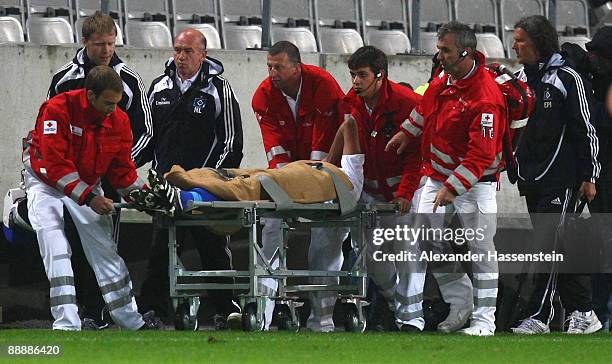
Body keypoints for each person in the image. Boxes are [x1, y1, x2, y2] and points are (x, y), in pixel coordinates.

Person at [386, 21, 507, 336]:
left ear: (465, 52)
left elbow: (482, 155)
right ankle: (436, 310)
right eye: (439, 49)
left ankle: (484, 323)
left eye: (445, 50)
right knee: (423, 244)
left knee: (481, 250)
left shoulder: (486, 98)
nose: (439, 56)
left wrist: (453, 187)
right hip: (439, 177)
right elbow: (426, 109)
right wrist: (406, 133)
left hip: (476, 185)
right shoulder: (444, 78)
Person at [22, 66, 159, 331]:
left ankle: (132, 321)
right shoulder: (56, 109)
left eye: (117, 103)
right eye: (108, 103)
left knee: (105, 251)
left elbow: (122, 169)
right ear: (90, 95)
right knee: (56, 245)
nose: (113, 109)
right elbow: (53, 164)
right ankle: (66, 323)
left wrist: (142, 196)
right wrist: (89, 197)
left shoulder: (118, 120)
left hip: (84, 183)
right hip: (43, 181)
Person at [46, 11, 153, 329]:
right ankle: (88, 309)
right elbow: (52, 131)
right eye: (99, 45)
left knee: (105, 245)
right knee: (73, 244)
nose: (107, 50)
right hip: (70, 179)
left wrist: (112, 164)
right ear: (84, 42)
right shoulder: (65, 81)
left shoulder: (129, 81)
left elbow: (145, 133)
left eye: (111, 43)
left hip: (107, 179)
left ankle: (105, 309)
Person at [138, 28, 243, 328]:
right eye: (177, 50)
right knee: (161, 249)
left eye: (188, 51)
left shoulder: (219, 89)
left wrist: (211, 181)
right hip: (166, 188)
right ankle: (151, 311)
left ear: (203, 54)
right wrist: (125, 166)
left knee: (213, 248)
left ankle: (227, 308)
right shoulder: (159, 88)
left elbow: (231, 142)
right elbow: (148, 137)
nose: (181, 57)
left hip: (203, 188)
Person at [509, 15, 602, 334]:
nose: (514, 45)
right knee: (560, 245)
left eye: (520, 39)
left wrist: (590, 175)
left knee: (547, 245)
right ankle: (584, 312)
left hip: (562, 178)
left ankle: (539, 316)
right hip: (532, 177)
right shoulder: (520, 79)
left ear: (537, 41)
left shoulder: (566, 77)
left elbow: (586, 130)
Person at [252, 41, 345, 331]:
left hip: (327, 174)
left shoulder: (323, 86)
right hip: (289, 175)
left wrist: (310, 183)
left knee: (326, 241)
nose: (272, 72)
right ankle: (262, 317)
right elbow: (274, 148)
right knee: (269, 233)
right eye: (269, 66)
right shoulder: (263, 96)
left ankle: (322, 319)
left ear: (297, 66)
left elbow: (325, 144)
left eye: (278, 66)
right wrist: (287, 185)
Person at [336, 46, 425, 332]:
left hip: (404, 189)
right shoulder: (352, 102)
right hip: (371, 190)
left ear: (380, 76)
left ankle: (412, 319)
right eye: (352, 75)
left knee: (408, 252)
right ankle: (394, 302)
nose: (355, 82)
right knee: (372, 257)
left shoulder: (406, 102)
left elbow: (417, 154)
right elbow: (345, 135)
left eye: (361, 75)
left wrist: (407, 193)